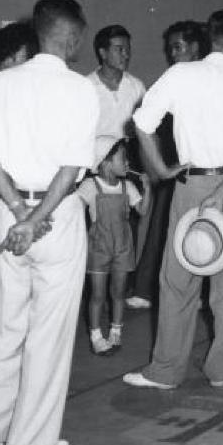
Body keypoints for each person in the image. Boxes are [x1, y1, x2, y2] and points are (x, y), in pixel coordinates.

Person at [0, 0, 98, 445]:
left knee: (1, 326)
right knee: (48, 332)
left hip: (11, 208)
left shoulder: (1, 83)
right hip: (54, 217)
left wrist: (19, 212)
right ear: (73, 37)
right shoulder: (81, 90)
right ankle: (31, 442)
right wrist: (38, 217)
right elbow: (71, 168)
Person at [123, 7, 223, 390]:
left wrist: (162, 171)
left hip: (195, 188)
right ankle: (221, 371)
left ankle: (166, 371)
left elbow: (140, 124)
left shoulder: (181, 74)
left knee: (179, 283)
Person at [127, 20, 206, 310]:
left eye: (178, 47)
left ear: (196, 47)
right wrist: (160, 168)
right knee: (162, 229)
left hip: (206, 170)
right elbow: (147, 124)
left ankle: (195, 294)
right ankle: (146, 289)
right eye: (170, 48)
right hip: (175, 167)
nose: (173, 53)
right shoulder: (173, 77)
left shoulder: (211, 80)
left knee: (198, 234)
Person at [78, 136, 151, 354]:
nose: (127, 163)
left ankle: (116, 331)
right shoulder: (91, 185)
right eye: (123, 158)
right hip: (99, 247)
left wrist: (148, 189)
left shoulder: (127, 186)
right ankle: (96, 335)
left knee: (118, 292)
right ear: (106, 162)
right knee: (98, 295)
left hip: (122, 246)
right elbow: (74, 210)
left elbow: (143, 211)